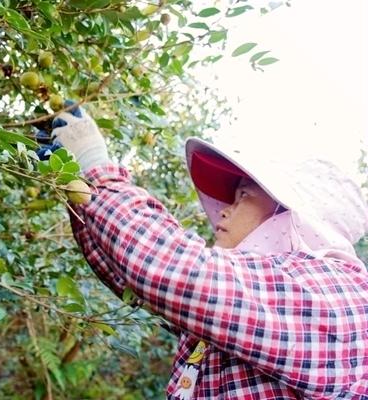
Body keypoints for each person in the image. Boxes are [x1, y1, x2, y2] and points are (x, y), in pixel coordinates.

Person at [36, 102, 368, 399]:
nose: (224, 211)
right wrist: (76, 183)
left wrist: (97, 168)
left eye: (242, 197)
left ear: (290, 218)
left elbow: (175, 272)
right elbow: (132, 278)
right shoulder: (247, 307)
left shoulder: (336, 294)